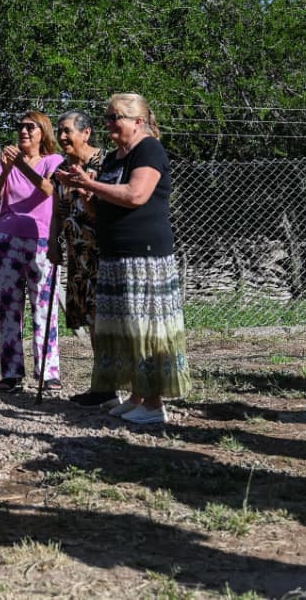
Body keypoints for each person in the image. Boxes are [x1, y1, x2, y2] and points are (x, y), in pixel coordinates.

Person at [56, 93, 191, 425]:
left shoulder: (149, 150)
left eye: (114, 117)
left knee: (144, 328)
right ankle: (136, 397)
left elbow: (136, 195)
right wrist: (84, 191)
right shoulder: (115, 158)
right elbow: (99, 209)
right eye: (107, 117)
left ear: (137, 122)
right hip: (115, 254)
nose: (108, 123)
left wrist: (92, 184)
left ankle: (154, 404)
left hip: (143, 254)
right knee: (124, 330)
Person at [0, 111, 65, 393]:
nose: (23, 131)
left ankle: (48, 371)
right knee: (9, 306)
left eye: (30, 127)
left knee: (44, 307)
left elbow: (48, 190)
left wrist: (21, 164)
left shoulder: (53, 161)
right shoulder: (8, 161)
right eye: (20, 126)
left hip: (41, 240)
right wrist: (8, 169)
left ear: (43, 132)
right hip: (7, 240)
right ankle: (11, 373)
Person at [46, 110, 111, 407]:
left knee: (104, 318)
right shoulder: (61, 169)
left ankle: (109, 384)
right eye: (59, 131)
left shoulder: (106, 163)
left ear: (86, 133)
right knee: (91, 318)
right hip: (77, 254)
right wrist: (54, 243)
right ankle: (104, 385)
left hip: (104, 252)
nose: (61, 137)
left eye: (67, 131)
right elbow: (58, 212)